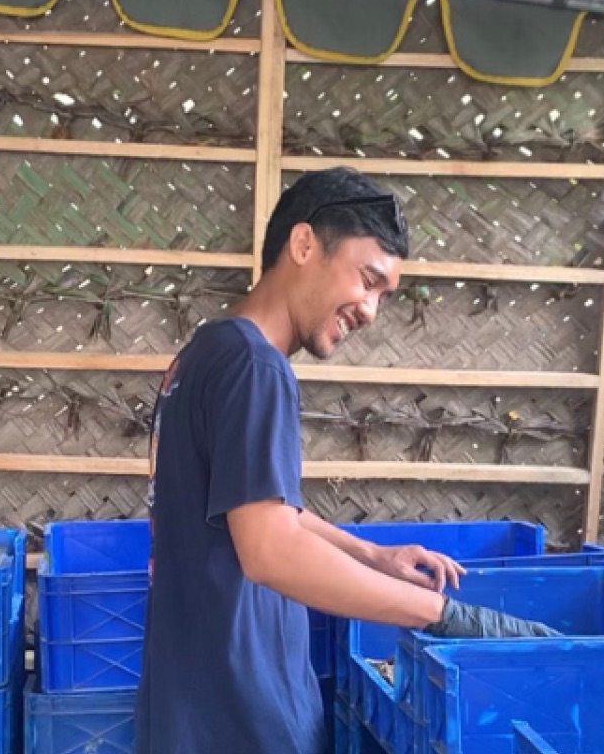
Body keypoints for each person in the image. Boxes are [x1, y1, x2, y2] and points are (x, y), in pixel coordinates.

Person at [135, 168, 555, 754]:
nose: (371, 310)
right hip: (243, 716)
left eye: (384, 295)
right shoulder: (256, 368)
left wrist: (372, 555)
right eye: (367, 279)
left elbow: (255, 511)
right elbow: (271, 550)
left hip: (183, 709)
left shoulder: (204, 353)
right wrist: (444, 615)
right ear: (304, 244)